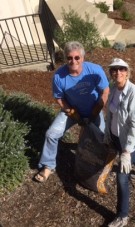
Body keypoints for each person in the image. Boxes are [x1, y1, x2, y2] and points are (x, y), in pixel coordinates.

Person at [34, 41, 109, 183]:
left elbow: (105, 91)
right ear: (65, 58)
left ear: (82, 58)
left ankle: (99, 168)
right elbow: (59, 99)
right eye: (69, 58)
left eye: (76, 57)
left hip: (94, 109)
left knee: (101, 139)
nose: (73, 61)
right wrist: (75, 114)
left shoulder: (95, 70)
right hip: (72, 110)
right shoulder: (59, 76)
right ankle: (48, 166)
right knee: (51, 134)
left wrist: (94, 113)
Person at [104, 58, 135, 227]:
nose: (118, 72)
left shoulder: (134, 93)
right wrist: (107, 134)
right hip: (116, 136)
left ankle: (122, 215)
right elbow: (110, 114)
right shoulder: (113, 89)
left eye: (121, 69)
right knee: (134, 157)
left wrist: (126, 151)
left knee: (121, 175)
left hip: (129, 139)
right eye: (114, 70)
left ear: (127, 72)